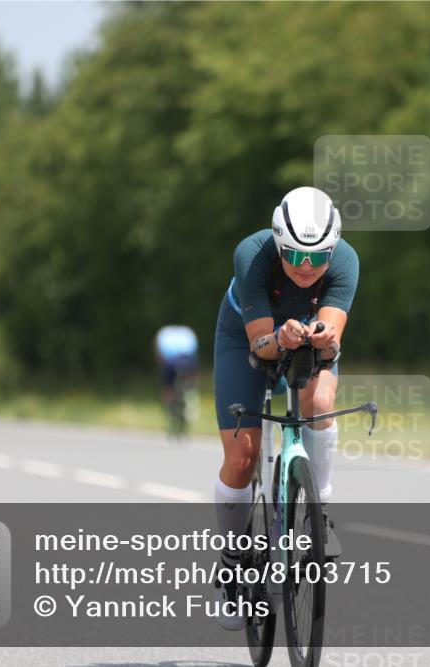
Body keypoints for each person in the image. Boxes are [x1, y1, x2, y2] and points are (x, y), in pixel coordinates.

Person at [211, 186, 358, 630]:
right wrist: (281, 338)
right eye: (294, 257)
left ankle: (322, 512)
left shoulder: (347, 260)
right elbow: (260, 344)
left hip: (303, 337)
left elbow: (332, 332)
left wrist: (324, 339)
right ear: (279, 245)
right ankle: (233, 561)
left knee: (321, 400)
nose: (307, 267)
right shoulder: (252, 254)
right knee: (241, 457)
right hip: (246, 337)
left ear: (333, 248)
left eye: (318, 257)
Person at [155, 325, 199, 434]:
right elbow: (194, 352)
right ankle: (191, 398)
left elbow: (159, 354)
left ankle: (169, 408)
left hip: (170, 364)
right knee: (190, 381)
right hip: (187, 361)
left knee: (168, 387)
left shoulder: (164, 332)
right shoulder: (187, 331)